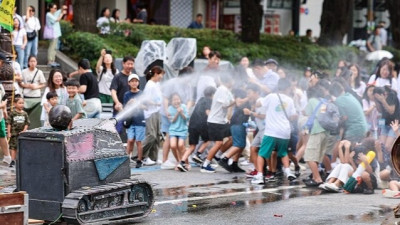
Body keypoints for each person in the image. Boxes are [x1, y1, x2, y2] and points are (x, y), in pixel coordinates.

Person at [251, 78, 297, 184]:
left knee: (262, 153)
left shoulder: (271, 97)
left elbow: (259, 103)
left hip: (271, 131)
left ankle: (259, 176)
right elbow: (293, 115)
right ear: (288, 88)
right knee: (283, 152)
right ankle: (288, 171)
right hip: (285, 131)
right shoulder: (290, 100)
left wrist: (258, 102)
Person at [201, 74, 235, 173]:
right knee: (218, 143)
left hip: (222, 120)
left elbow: (231, 102)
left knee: (232, 138)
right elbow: (224, 105)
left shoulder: (227, 91)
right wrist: (234, 103)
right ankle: (205, 164)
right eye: (232, 80)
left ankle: (217, 155)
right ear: (229, 81)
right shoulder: (221, 90)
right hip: (215, 121)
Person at [177, 86, 216, 172]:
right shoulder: (209, 100)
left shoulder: (201, 99)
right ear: (213, 94)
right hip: (202, 124)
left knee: (192, 146)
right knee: (209, 139)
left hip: (192, 124)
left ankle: (182, 162)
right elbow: (207, 112)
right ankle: (198, 154)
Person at [142, 66, 164, 165]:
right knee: (151, 135)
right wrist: (155, 104)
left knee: (157, 136)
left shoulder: (157, 84)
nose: (161, 77)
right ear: (156, 74)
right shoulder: (149, 85)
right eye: (160, 74)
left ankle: (153, 158)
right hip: (150, 113)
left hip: (157, 112)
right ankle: (139, 155)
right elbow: (146, 99)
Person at [123, 74, 145, 168]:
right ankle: (127, 160)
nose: (134, 83)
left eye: (136, 81)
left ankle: (139, 160)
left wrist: (138, 104)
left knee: (139, 141)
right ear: (129, 83)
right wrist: (129, 103)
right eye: (132, 81)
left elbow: (146, 107)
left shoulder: (142, 93)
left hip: (140, 120)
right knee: (130, 140)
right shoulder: (127, 94)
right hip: (130, 121)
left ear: (138, 82)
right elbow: (125, 108)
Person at [110, 55, 134, 133]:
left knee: (131, 133)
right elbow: (113, 91)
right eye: (128, 64)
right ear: (123, 64)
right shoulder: (117, 77)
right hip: (119, 109)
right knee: (117, 131)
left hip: (131, 109)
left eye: (132, 64)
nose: (130, 66)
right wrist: (117, 103)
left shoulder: (134, 78)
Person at [7, 96, 30, 167]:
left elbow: (27, 123)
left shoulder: (25, 114)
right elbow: (9, 123)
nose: (21, 105)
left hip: (22, 134)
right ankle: (13, 160)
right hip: (14, 134)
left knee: (21, 147)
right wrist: (9, 133)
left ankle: (19, 160)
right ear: (14, 104)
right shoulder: (12, 113)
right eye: (20, 103)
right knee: (13, 147)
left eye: (23, 103)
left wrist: (24, 131)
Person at [168, 93, 189, 168]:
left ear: (180, 100)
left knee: (181, 145)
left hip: (182, 130)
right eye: (174, 100)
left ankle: (186, 163)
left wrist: (181, 112)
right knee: (173, 145)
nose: (176, 101)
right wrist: (177, 112)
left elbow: (186, 118)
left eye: (178, 99)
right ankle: (179, 161)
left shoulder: (184, 106)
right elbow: (172, 121)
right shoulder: (170, 108)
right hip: (173, 130)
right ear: (171, 101)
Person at [0, 56, 11, 165]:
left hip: (0, 117)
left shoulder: (0, 83)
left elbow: (4, 97)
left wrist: (4, 109)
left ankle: (7, 157)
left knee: (2, 134)